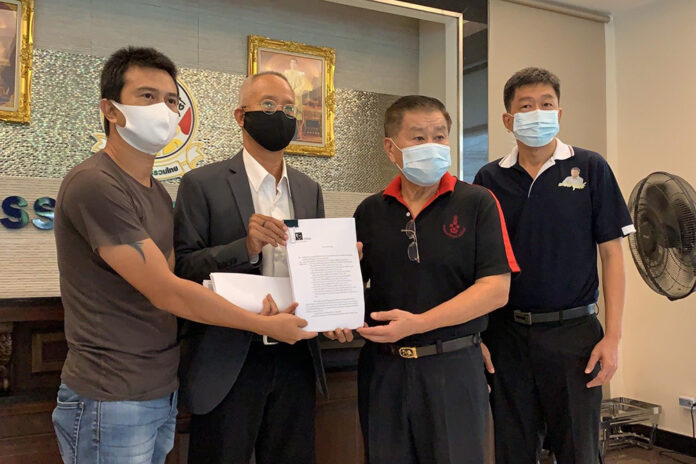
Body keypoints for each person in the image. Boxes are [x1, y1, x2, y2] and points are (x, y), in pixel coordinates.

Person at [51, 47, 313, 464]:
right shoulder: (94, 183)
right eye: (147, 97)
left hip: (159, 384)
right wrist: (260, 320)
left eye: (172, 101)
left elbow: (176, 278)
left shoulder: (154, 191)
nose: (164, 110)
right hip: (111, 391)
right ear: (111, 109)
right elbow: (169, 290)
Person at [343, 95, 519, 464]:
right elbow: (349, 288)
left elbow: (495, 291)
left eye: (439, 137)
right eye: (419, 138)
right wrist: (333, 313)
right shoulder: (370, 212)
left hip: (452, 367)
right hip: (383, 371)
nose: (432, 147)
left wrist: (418, 324)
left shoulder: (478, 203)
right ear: (391, 148)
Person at [474, 67, 634, 464]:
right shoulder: (488, 178)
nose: (538, 113)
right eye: (526, 106)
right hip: (506, 335)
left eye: (546, 104)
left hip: (574, 335)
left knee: (578, 450)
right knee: (511, 449)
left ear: (559, 114)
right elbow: (477, 266)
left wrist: (612, 337)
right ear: (508, 120)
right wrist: (477, 337)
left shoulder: (590, 168)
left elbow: (612, 255)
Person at [174, 71, 329, 464]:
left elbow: (314, 272)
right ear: (241, 116)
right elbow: (183, 268)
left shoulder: (309, 189)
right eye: (269, 106)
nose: (281, 114)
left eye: (289, 108)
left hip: (296, 354)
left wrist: (338, 269)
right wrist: (245, 247)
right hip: (230, 358)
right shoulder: (202, 184)